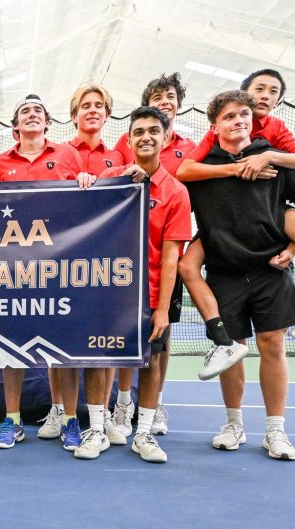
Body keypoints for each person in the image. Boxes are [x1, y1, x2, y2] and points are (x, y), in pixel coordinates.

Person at [176, 69, 295, 371]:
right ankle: (223, 342)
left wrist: (269, 156)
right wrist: (237, 169)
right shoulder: (218, 130)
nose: (266, 96)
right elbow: (185, 170)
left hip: (268, 216)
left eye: (274, 92)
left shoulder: (275, 130)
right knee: (186, 265)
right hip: (223, 228)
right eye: (260, 88)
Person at [184, 90, 295, 461]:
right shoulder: (203, 165)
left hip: (269, 270)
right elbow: (175, 174)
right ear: (214, 125)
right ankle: (234, 424)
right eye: (230, 116)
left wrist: (294, 247)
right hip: (224, 271)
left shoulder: (272, 157)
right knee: (233, 352)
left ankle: (275, 431)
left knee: (273, 346)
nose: (239, 120)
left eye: (244, 114)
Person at [0, 94, 93, 452]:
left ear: (47, 122)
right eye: (24, 112)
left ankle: (69, 421)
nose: (31, 115)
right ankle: (12, 421)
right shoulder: (0, 163)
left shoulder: (68, 155)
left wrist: (84, 177)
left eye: (37, 111)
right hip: (12, 269)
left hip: (58, 267)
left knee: (62, 349)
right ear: (15, 126)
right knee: (10, 348)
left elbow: (84, 205)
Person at [100, 106, 192, 462]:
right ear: (128, 140)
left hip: (152, 294)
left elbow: (172, 258)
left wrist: (162, 309)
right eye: (139, 132)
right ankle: (99, 425)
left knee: (152, 363)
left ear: (166, 138)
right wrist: (96, 181)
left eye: (154, 131)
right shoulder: (117, 182)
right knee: (103, 360)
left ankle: (144, 433)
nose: (146, 137)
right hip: (111, 294)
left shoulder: (177, 193)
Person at [62, 84, 129, 452]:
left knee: (104, 349)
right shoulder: (60, 154)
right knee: (66, 349)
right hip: (65, 269)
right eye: (85, 106)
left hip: (105, 270)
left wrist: (121, 174)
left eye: (99, 106)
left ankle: (101, 422)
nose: (92, 111)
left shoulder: (119, 155)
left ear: (107, 114)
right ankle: (66, 414)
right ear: (74, 115)